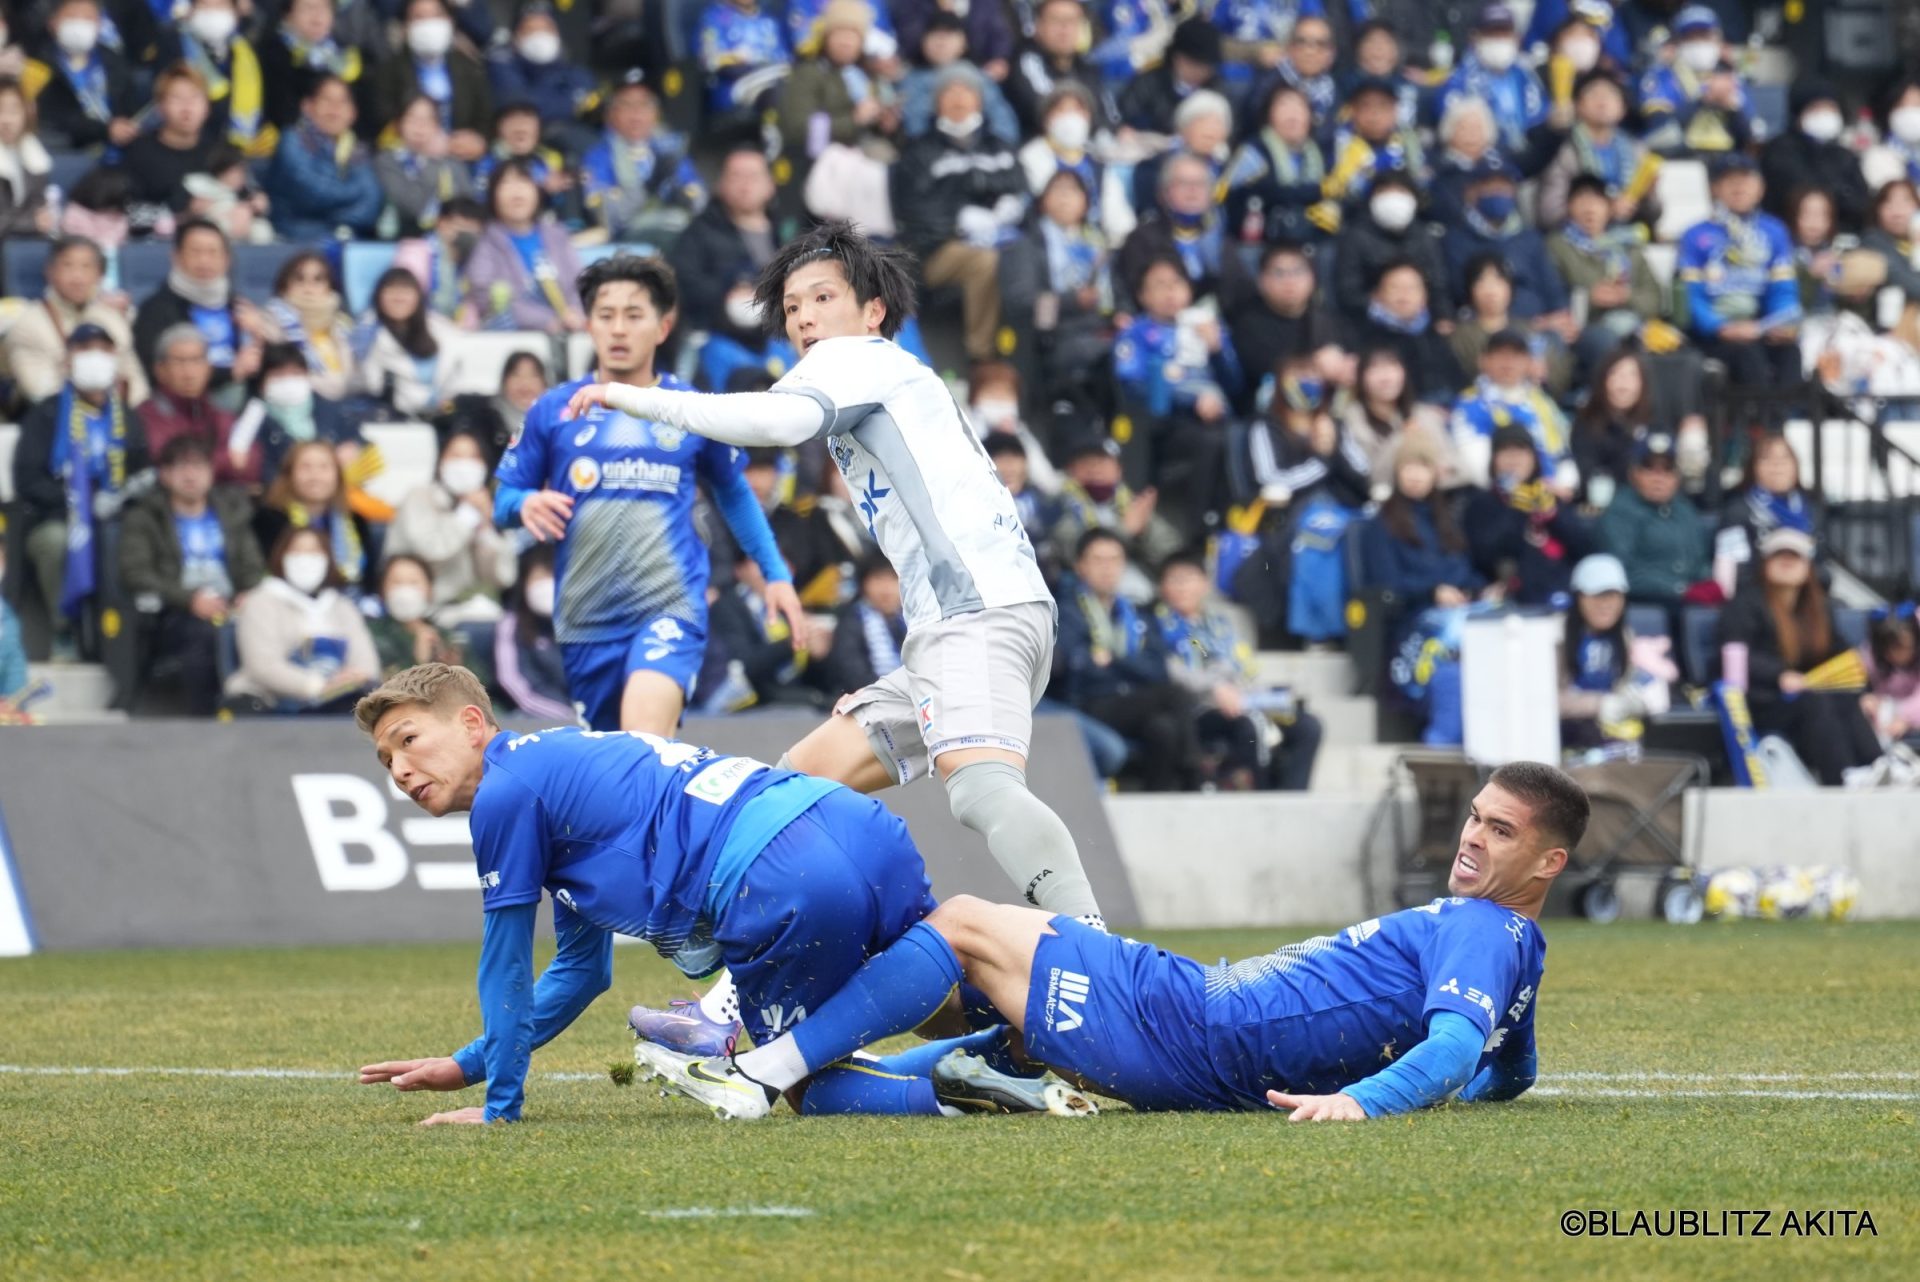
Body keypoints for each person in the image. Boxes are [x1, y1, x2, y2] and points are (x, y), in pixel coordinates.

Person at [564, 221, 1110, 1052]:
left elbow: (772, 424)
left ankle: (1107, 977)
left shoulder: (860, 360)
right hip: (960, 626)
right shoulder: (881, 377)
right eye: (792, 307)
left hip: (977, 614)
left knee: (980, 790)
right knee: (794, 790)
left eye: (823, 298)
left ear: (873, 311)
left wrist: (629, 395)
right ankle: (732, 1007)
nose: (805, 318)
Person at [643, 760, 1582, 1123]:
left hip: (1199, 1026)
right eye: (1475, 816)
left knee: (962, 923)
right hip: (1199, 1014)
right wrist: (1477, 1084)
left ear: (1550, 862)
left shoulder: (1481, 926)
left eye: (1500, 831)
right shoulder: (1514, 947)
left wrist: (1359, 1105)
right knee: (960, 1012)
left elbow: (1456, 1049)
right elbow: (1510, 1067)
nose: (1472, 837)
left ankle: (756, 1068)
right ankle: (823, 1071)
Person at [354, 663, 1086, 1123]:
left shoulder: (504, 795)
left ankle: (966, 1091)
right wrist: (471, 1062)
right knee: (939, 1000)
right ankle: (1050, 1041)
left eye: (409, 740)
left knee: (803, 1083)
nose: (400, 769)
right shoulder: (558, 770)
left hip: (775, 877)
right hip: (851, 822)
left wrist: (499, 1106)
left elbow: (507, 965)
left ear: (472, 724)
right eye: (386, 760)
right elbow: (581, 971)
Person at [492, 255, 801, 734]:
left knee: (643, 740)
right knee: (614, 767)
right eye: (606, 315)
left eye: (634, 315)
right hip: (586, 620)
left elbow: (734, 492)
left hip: (670, 609)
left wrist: (774, 573)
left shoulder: (690, 409)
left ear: (663, 327)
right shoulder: (553, 410)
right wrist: (524, 503)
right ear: (589, 325)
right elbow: (504, 500)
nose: (618, 328)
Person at [13, 325, 150, 656]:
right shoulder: (46, 413)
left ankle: (131, 636)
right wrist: (79, 505)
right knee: (55, 542)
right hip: (58, 516)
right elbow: (27, 478)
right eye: (85, 349)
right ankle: (65, 630)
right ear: (68, 360)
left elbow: (141, 470)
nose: (95, 358)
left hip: (116, 516)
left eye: (103, 350)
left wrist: (120, 500)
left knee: (140, 538)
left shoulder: (127, 417)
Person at [1715, 528, 1882, 787]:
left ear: (1808, 567)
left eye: (1795, 556)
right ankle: (1842, 778)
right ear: (1764, 563)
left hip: (1803, 697)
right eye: (1779, 555)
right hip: (1762, 701)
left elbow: (1843, 655)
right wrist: (1779, 676)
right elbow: (1735, 657)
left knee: (1846, 699)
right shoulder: (1743, 604)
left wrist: (1865, 691)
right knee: (1815, 701)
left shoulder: (1819, 608)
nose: (1787, 561)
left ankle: (1878, 768)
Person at [118, 435, 264, 715]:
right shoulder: (145, 517)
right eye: (180, 467)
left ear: (211, 473)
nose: (190, 475)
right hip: (174, 611)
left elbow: (252, 566)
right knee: (203, 637)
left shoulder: (231, 514)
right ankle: (206, 717)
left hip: (231, 606)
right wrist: (189, 600)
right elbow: (136, 573)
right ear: (164, 474)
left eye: (198, 466)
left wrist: (248, 594)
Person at [891, 66, 1026, 365]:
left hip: (1002, 238)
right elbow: (910, 209)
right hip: (936, 250)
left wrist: (1010, 209)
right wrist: (957, 221)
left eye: (966, 90)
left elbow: (1021, 189)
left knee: (1026, 257)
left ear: (980, 100)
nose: (958, 98)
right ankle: (982, 355)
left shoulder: (1000, 147)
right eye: (949, 91)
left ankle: (1025, 352)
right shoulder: (919, 151)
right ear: (936, 102)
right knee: (983, 261)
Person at [1156, 552, 1322, 791]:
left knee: (1307, 726)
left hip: (1243, 700)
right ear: (1162, 587)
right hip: (1202, 709)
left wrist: (1253, 692)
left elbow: (1242, 666)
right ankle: (1261, 797)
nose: (1182, 587)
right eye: (1174, 580)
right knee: (1250, 727)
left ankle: (1291, 796)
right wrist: (1217, 686)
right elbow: (1176, 673)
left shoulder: (1221, 625)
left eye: (1189, 578)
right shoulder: (1160, 627)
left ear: (1205, 584)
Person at [1055, 528, 1198, 793]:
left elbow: (1158, 669)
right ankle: (1195, 771)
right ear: (1080, 566)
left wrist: (1114, 660)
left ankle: (1159, 800)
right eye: (1098, 560)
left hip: (1132, 701)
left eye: (1114, 560)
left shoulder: (1136, 614)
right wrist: (1131, 666)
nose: (1107, 569)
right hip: (1091, 703)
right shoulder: (1068, 610)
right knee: (1175, 694)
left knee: (1163, 729)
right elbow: (1080, 667)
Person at [1110, 254, 1238, 537]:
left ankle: (1234, 522)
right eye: (1159, 285)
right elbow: (1132, 384)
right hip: (1163, 421)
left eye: (1177, 283)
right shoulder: (1135, 333)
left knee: (1240, 435)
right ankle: (1198, 528)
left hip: (1217, 416)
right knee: (1209, 441)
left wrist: (1217, 350)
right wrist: (1190, 401)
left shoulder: (1207, 326)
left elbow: (1235, 384)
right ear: (1142, 295)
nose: (1170, 292)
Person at [1677, 152, 1802, 389]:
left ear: (1760, 188)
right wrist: (1719, 327)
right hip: (1713, 334)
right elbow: (1689, 296)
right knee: (1748, 354)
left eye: (1745, 179)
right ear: (1714, 188)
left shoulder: (1774, 231)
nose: (1738, 187)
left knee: (1790, 352)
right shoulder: (1695, 235)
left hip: (1759, 327)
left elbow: (1784, 290)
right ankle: (1759, 413)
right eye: (1729, 180)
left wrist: (1776, 324)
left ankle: (1790, 413)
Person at [675, 147, 795, 392]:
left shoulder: (785, 233)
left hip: (778, 337)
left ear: (770, 186)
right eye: (736, 176)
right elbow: (684, 283)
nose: (744, 185)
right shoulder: (699, 232)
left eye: (753, 176)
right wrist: (727, 293)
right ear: (720, 185)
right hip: (718, 338)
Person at [996, 169, 1115, 412]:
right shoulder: (1025, 245)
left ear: (1086, 203)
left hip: (1101, 329)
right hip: (1054, 337)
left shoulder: (1099, 244)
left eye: (1073, 190)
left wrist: (1122, 313)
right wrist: (1072, 301)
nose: (1065, 198)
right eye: (1058, 190)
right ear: (1042, 202)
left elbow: (1119, 292)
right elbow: (1020, 303)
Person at [225, 526, 379, 713]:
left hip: (336, 704)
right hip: (269, 705)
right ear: (281, 556)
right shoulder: (260, 601)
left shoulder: (343, 606)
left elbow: (366, 663)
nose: (305, 559)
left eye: (314, 552)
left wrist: (352, 679)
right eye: (297, 551)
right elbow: (262, 665)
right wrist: (318, 686)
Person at [383, 429, 515, 624]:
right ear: (440, 462)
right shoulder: (419, 497)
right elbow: (432, 549)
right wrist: (467, 514)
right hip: (413, 608)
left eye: (473, 457)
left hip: (465, 609)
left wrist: (485, 529)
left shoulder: (487, 503)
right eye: (456, 456)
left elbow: (504, 576)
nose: (464, 465)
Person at [1442, 155, 1574, 340]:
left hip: (1540, 328)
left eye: (1504, 186)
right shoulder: (1456, 240)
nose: (1499, 192)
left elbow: (1552, 288)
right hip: (1485, 329)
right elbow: (1458, 294)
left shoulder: (1529, 238)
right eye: (1490, 185)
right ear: (1472, 191)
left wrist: (1560, 317)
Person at [6, 237, 147, 408]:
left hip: (115, 416)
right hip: (53, 417)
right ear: (50, 272)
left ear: (100, 275)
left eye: (86, 267)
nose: (77, 277)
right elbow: (39, 391)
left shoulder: (112, 318)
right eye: (68, 266)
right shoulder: (28, 324)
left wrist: (130, 414)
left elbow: (136, 384)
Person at [1465, 425, 1594, 606]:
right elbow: (1484, 555)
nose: (1514, 459)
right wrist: (1516, 507)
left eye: (1521, 451)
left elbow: (1584, 548)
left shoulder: (1550, 496)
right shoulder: (1481, 503)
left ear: (1534, 459)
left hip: (1561, 592)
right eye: (1505, 452)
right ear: (1494, 460)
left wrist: (1553, 515)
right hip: (1510, 598)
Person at [131, 219, 267, 391]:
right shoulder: (155, 310)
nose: (204, 260)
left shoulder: (239, 306)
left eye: (212, 252)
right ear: (176, 257)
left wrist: (259, 336)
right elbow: (156, 372)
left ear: (227, 260)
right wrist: (230, 373)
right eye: (195, 252)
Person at [1546, 175, 1667, 368]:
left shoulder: (1628, 246)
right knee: (1606, 343)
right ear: (1569, 207)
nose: (1590, 209)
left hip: (1635, 326)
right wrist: (1589, 299)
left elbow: (1655, 299)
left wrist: (1625, 296)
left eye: (1597, 202)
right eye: (1582, 202)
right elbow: (1550, 299)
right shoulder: (1557, 247)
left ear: (1610, 208)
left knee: (1678, 352)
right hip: (1587, 332)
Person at [581, 70, 704, 246]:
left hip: (678, 233)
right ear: (610, 115)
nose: (636, 113)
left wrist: (686, 199)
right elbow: (609, 216)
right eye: (626, 105)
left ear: (656, 113)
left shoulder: (671, 148)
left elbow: (699, 197)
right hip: (628, 242)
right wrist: (648, 188)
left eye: (644, 104)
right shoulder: (597, 157)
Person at [361, 0, 491, 164]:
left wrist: (478, 140)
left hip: (461, 161)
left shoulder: (468, 68)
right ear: (405, 27)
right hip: (406, 162)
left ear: (450, 21)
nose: (429, 23)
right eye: (419, 17)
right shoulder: (388, 71)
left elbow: (485, 117)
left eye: (436, 15)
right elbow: (381, 117)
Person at [1595, 432, 1708, 617]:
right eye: (1649, 467)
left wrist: (1707, 583)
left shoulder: (1684, 509)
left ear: (1677, 476)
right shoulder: (1619, 512)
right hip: (1643, 606)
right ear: (1634, 473)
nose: (1659, 477)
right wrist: (1677, 588)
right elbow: (1622, 571)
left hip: (1686, 605)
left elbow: (1700, 559)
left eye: (1667, 469)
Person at [1448, 329, 1575, 492]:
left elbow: (1562, 450)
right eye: (1500, 355)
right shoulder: (1470, 404)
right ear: (1483, 361)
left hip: (1551, 495)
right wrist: (1532, 491)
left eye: (1516, 356)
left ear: (1528, 362)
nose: (1508, 363)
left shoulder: (1541, 402)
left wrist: (1565, 484)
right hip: (1500, 496)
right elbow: (1479, 468)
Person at [467, 160, 585, 335]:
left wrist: (575, 313)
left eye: (523, 182)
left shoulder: (558, 235)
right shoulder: (485, 243)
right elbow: (484, 296)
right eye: (506, 184)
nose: (516, 193)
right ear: (493, 195)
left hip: (572, 332)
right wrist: (548, 321)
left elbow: (580, 283)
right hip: (515, 339)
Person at [1558, 552, 1661, 749]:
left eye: (1614, 596)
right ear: (1579, 597)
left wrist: (1639, 697)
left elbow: (1627, 681)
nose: (1606, 604)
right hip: (1568, 737)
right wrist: (1599, 704)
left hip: (1614, 734)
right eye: (1597, 596)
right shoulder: (1557, 637)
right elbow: (1544, 701)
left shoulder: (1624, 635)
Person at [1226, 242, 1346, 410]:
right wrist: (1317, 365)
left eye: (1298, 272)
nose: (1290, 281)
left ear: (1313, 278)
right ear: (1262, 281)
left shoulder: (1326, 319)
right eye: (1279, 273)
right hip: (1271, 407)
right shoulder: (1247, 324)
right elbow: (1263, 371)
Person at [265, 71, 383, 240]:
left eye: (342, 102)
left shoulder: (358, 149)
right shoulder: (292, 140)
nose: (334, 109)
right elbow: (314, 196)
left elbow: (372, 202)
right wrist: (353, 197)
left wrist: (340, 225)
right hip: (294, 238)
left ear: (353, 113)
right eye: (327, 100)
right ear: (307, 106)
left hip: (346, 236)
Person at [1534, 70, 1657, 231]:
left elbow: (1654, 214)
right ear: (1577, 105)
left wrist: (1649, 196)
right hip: (1573, 237)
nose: (1602, 101)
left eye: (1610, 95)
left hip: (1626, 233)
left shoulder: (1637, 150)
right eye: (1593, 94)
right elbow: (1549, 214)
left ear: (1623, 108)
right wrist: (1604, 211)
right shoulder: (1563, 150)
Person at [137, 325, 252, 489]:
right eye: (179, 362)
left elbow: (250, 462)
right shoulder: (146, 415)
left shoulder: (219, 415)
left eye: (197, 361)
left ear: (208, 368)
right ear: (160, 370)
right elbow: (169, 464)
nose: (189, 373)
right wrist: (226, 461)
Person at [1332, 169, 1453, 326]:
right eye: (1384, 192)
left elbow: (1438, 286)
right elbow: (1348, 291)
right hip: (1368, 324)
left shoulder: (1424, 237)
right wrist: (1382, 306)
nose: (1393, 198)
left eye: (1401, 191)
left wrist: (1443, 317)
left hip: (1422, 322)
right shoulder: (1354, 237)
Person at [1448, 255, 1574, 401]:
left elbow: (1558, 376)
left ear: (1510, 288)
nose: (1490, 291)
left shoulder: (1528, 330)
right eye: (1481, 282)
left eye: (1498, 281)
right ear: (1471, 289)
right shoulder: (1460, 336)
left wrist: (1544, 374)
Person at [1221, 82, 1329, 249]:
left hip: (1307, 241)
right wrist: (1312, 192)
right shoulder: (1253, 152)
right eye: (1284, 107)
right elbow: (1233, 196)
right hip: (1260, 242)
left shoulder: (1319, 154)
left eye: (1299, 108)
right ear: (1269, 115)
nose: (1292, 115)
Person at [1712, 432, 1822, 596]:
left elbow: (1821, 565)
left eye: (1784, 458)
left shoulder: (1812, 511)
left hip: (1806, 598)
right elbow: (1730, 575)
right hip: (1755, 600)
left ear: (1796, 466)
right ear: (1753, 467)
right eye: (1767, 458)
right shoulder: (1737, 512)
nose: (1777, 465)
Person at [253, 438, 367, 591]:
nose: (315, 476)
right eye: (305, 467)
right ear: (290, 474)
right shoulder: (268, 520)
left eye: (324, 467)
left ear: (338, 476)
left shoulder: (356, 521)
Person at [25, 0, 139, 152]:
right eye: (72, 16)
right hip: (67, 149)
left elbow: (127, 103)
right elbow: (54, 117)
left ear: (99, 24)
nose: (80, 24)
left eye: (88, 18)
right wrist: (105, 130)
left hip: (117, 146)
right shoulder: (38, 64)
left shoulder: (113, 59)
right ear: (52, 22)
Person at [113, 63, 215, 234]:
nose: (187, 107)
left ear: (207, 107)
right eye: (177, 98)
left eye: (195, 98)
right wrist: (180, 217)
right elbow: (125, 212)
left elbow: (247, 192)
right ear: (160, 107)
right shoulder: (140, 153)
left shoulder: (219, 151)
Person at [1637, 5, 1750, 158]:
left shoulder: (1729, 78)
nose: (1699, 43)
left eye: (1705, 36)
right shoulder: (1659, 77)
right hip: (1678, 158)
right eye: (1691, 38)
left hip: (1724, 158)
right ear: (1677, 43)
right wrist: (1703, 98)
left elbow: (1748, 135)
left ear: (1718, 41)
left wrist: (1732, 108)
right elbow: (1659, 129)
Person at [354, 268, 466, 419]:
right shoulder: (368, 334)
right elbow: (370, 384)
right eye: (391, 290)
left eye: (406, 290)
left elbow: (459, 369)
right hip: (396, 418)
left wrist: (447, 404)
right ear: (378, 296)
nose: (399, 297)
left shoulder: (440, 327)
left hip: (447, 414)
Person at [1761, 79, 1869, 234]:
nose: (1825, 115)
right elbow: (1799, 193)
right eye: (1817, 109)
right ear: (1799, 114)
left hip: (1844, 233)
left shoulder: (1844, 155)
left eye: (1831, 108)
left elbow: (1860, 203)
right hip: (1791, 234)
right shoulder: (1780, 150)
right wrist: (1840, 193)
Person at [1353, 258, 1464, 408]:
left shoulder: (1435, 333)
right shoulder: (1367, 337)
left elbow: (1459, 381)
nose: (1404, 294)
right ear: (1377, 294)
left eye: (1412, 288)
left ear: (1424, 296)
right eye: (1395, 287)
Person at [485, 1, 598, 143]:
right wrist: (570, 103)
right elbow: (520, 106)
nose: (540, 35)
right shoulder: (502, 63)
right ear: (516, 38)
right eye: (530, 30)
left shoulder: (575, 72)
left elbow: (589, 101)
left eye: (546, 29)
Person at [1005, 0, 1113, 137]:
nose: (1064, 29)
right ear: (1038, 26)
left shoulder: (1087, 67)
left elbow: (1109, 116)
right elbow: (1046, 109)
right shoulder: (1026, 60)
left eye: (1072, 21)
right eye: (1055, 20)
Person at [375, 94, 475, 240]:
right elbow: (414, 207)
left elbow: (468, 207)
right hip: (404, 238)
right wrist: (430, 160)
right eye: (412, 118)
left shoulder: (453, 163)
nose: (420, 126)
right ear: (399, 123)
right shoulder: (388, 161)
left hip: (452, 240)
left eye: (428, 120)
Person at [259, 0, 368, 133]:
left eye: (325, 7)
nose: (317, 16)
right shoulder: (272, 53)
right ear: (288, 14)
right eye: (308, 8)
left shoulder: (345, 56)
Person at [492, 544, 572, 722]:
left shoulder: (585, 621)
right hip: (539, 718)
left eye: (552, 576)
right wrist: (567, 716)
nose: (546, 585)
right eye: (539, 578)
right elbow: (512, 681)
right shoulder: (511, 624)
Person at [266, 252, 358, 404]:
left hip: (348, 403)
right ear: (284, 286)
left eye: (318, 280)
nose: (308, 288)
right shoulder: (271, 323)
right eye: (299, 279)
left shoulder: (343, 324)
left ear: (330, 287)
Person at [1570, 347, 1654, 511]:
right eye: (1616, 374)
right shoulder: (1585, 424)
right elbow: (1587, 474)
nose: (1623, 383)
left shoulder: (1653, 423)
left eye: (1631, 376)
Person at [368, 553, 470, 677]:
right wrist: (419, 661)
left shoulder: (445, 635)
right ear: (382, 590)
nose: (405, 591)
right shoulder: (371, 635)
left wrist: (455, 669)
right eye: (396, 582)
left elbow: (480, 681)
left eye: (414, 582)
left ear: (429, 589)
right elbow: (381, 682)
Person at [821, 553, 907, 697]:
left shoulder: (911, 621)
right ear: (863, 584)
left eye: (893, 579)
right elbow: (852, 673)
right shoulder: (851, 622)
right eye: (878, 579)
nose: (886, 589)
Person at [393, 194, 485, 325]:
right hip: (419, 326)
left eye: (472, 233)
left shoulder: (475, 260)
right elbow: (405, 298)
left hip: (460, 331)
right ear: (441, 223)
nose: (465, 238)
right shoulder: (414, 253)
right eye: (461, 229)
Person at [697, 0, 792, 120]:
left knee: (800, 89)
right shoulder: (714, 17)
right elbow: (710, 61)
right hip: (734, 84)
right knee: (777, 95)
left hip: (776, 76)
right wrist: (734, 58)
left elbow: (784, 59)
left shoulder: (770, 19)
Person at [0, 74, 51, 237]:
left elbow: (37, 206)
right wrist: (31, 223)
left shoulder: (34, 154)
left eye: (13, 111)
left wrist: (43, 220)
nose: (6, 120)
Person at [1862, 608, 1920, 746]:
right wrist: (1867, 699)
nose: (1905, 652)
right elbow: (1862, 687)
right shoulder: (1870, 656)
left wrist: (1907, 719)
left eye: (1909, 647)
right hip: (1884, 716)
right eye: (1897, 648)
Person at [1861, 180, 1920, 314]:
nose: (1897, 212)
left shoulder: (1914, 242)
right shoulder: (1874, 241)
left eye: (1905, 202)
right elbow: (1902, 278)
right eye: (1888, 203)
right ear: (1878, 210)